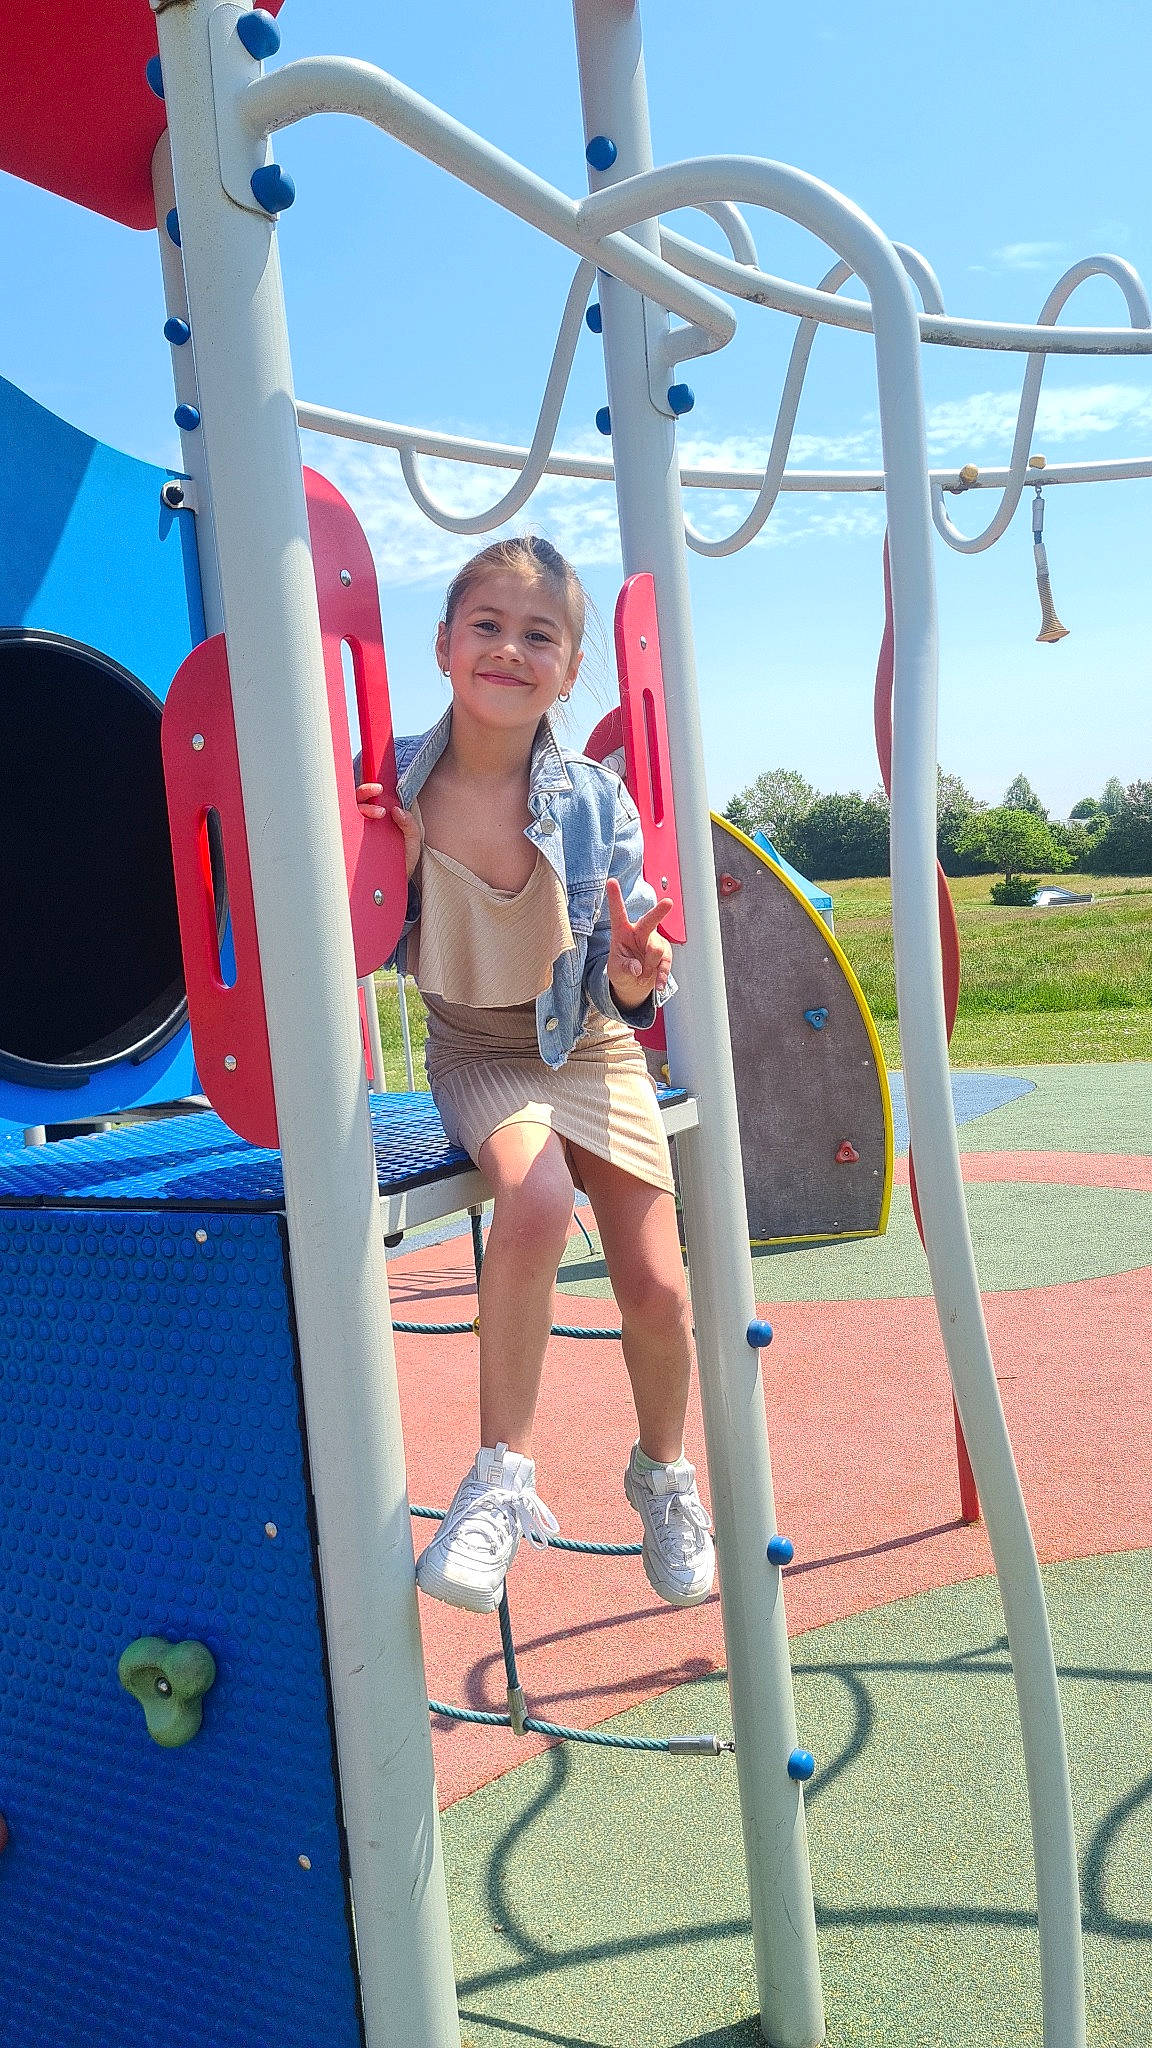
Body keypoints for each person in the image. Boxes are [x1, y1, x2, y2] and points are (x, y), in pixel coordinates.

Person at [357, 535, 713, 1617]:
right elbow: (365, 939)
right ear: (443, 644)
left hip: (589, 1046)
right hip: (479, 1049)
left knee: (658, 1287)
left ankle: (663, 1475)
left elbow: (623, 972)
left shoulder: (595, 801)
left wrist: (639, 978)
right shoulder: (388, 781)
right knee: (539, 1196)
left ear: (569, 670)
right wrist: (390, 865)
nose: (510, 649)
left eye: (539, 635)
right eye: (488, 625)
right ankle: (499, 1480)